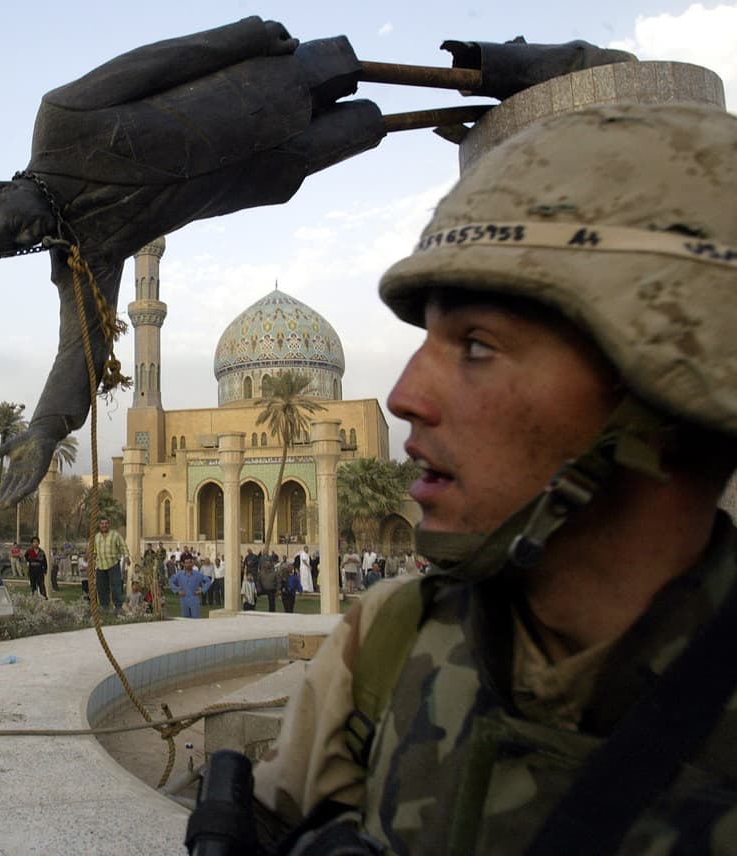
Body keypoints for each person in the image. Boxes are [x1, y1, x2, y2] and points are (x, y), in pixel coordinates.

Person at [252, 103, 737, 854]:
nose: (404, 397)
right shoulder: (386, 645)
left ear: (666, 394)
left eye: (477, 345)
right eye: (428, 338)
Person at [0, 19, 389, 509]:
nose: (26, 235)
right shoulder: (79, 253)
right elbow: (79, 349)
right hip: (266, 168)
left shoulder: (60, 120)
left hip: (248, 92)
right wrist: (45, 428)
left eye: (14, 224)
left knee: (350, 68)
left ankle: (459, 76)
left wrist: (250, 36)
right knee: (371, 124)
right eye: (15, 244)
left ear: (2, 188)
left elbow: (162, 62)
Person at [92, 516, 130, 610]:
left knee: (116, 587)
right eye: (102, 523)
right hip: (100, 566)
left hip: (113, 564)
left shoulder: (115, 535)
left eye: (106, 523)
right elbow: (94, 551)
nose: (104, 525)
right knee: (102, 588)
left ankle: (118, 607)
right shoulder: (96, 537)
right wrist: (92, 562)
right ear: (99, 525)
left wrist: (126, 557)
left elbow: (123, 546)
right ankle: (105, 607)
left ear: (109, 525)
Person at [168, 553, 212, 619]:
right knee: (185, 620)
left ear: (192, 563)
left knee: (195, 620)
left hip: (194, 600)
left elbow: (208, 581)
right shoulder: (179, 574)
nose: (188, 564)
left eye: (190, 562)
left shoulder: (197, 574)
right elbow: (171, 581)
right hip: (184, 600)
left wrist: (202, 590)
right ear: (183, 564)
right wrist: (177, 591)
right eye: (186, 563)